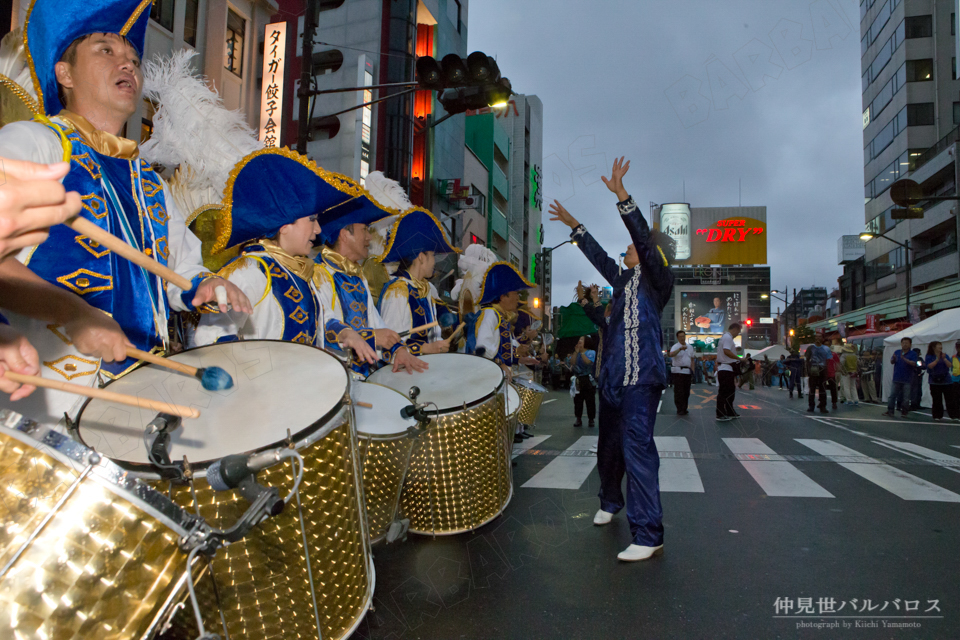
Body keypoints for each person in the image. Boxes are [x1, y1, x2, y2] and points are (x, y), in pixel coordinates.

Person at [0, 0, 253, 380]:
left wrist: (206, 284)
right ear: (64, 74)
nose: (128, 65)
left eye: (134, 59)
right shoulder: (37, 142)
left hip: (138, 387)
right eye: (106, 50)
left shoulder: (148, 182)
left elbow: (180, 271)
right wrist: (75, 314)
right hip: (45, 391)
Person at [548, 156, 674, 562]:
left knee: (638, 449)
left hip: (643, 379)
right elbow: (601, 257)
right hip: (614, 379)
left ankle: (648, 532)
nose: (625, 252)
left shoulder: (656, 280)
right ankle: (609, 501)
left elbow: (639, 234)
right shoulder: (622, 283)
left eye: (633, 250)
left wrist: (622, 195)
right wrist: (573, 225)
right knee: (608, 448)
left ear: (647, 252)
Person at [192, 149, 376, 364]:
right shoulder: (249, 270)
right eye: (312, 220)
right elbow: (210, 337)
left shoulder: (301, 272)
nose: (318, 230)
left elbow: (320, 321)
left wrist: (345, 333)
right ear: (285, 226)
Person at [314, 214, 427, 377]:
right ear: (345, 234)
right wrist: (371, 337)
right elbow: (321, 328)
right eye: (365, 230)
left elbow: (376, 323)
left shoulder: (358, 277)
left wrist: (398, 349)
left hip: (361, 378)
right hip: (331, 380)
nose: (369, 237)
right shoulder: (319, 273)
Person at [376, 209, 457, 356]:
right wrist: (426, 348)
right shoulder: (398, 291)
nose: (434, 262)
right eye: (432, 255)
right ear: (421, 257)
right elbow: (387, 348)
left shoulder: (424, 289)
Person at [884, 337, 918, 417]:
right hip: (896, 377)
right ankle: (890, 410)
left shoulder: (913, 354)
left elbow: (914, 363)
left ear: (910, 344)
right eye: (903, 343)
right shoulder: (897, 352)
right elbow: (892, 362)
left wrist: (905, 359)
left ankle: (904, 411)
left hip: (907, 378)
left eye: (906, 343)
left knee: (906, 397)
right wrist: (894, 359)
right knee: (892, 396)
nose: (904, 344)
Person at [924, 341, 958, 421]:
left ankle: (953, 415)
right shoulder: (929, 356)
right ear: (933, 347)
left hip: (946, 380)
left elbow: (950, 365)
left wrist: (944, 359)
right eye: (938, 345)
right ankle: (937, 415)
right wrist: (937, 359)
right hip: (934, 380)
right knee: (936, 399)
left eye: (941, 345)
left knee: (950, 398)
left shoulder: (945, 355)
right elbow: (929, 366)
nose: (940, 347)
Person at [716, 323, 741, 421]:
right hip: (726, 368)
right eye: (738, 332)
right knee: (724, 392)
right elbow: (726, 351)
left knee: (730, 391)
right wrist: (739, 358)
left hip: (727, 368)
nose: (737, 334)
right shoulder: (728, 337)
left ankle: (729, 411)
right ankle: (721, 413)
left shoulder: (725, 337)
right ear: (735, 329)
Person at [570, 335, 597, 427]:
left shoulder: (591, 352)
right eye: (579, 339)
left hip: (588, 378)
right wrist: (576, 352)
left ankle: (591, 419)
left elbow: (588, 362)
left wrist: (581, 353)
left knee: (590, 400)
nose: (579, 341)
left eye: (582, 339)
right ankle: (578, 418)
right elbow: (572, 363)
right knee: (577, 400)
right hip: (578, 378)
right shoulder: (576, 352)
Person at [668, 330, 693, 416]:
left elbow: (692, 358)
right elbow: (671, 355)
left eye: (683, 336)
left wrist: (692, 370)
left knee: (686, 391)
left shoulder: (690, 347)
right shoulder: (675, 346)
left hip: (687, 371)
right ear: (678, 338)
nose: (682, 338)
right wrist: (679, 349)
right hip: (678, 371)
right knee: (679, 391)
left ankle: (684, 408)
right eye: (680, 336)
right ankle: (679, 409)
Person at [805, 335, 831, 414]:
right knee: (812, 389)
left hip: (823, 370)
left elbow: (829, 360)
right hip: (813, 369)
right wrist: (808, 370)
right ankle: (811, 406)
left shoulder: (826, 348)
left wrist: (827, 370)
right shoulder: (811, 348)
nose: (818, 339)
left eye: (819, 337)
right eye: (816, 337)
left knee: (823, 389)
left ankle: (823, 406)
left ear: (822, 339)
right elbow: (807, 359)